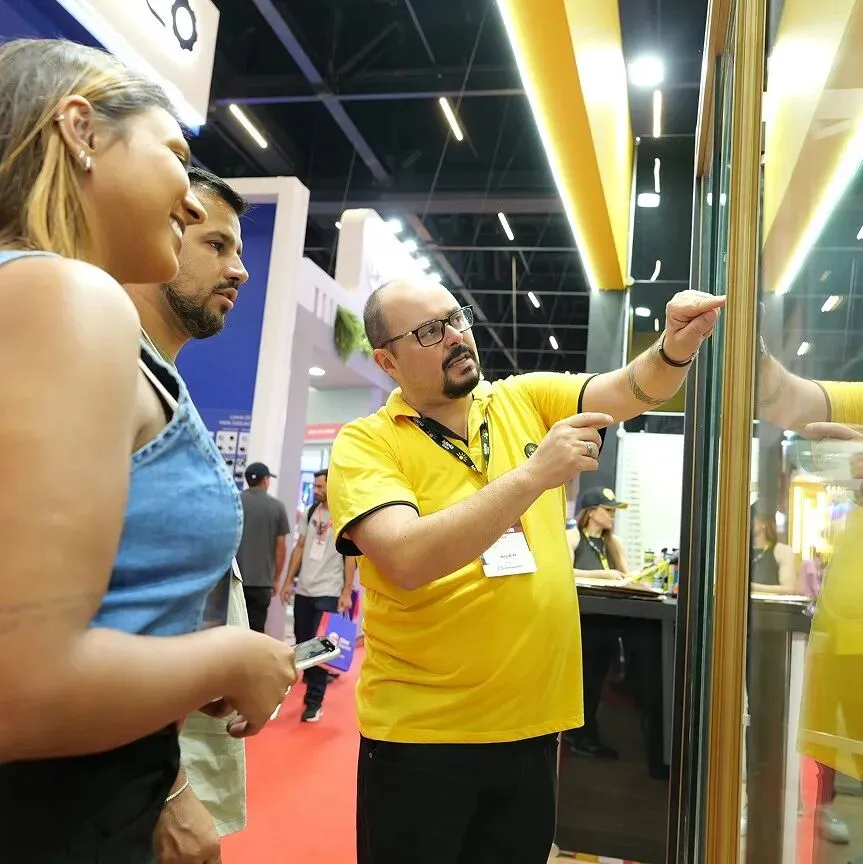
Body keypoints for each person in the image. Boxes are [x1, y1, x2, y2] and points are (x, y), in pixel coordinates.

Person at [0, 39, 295, 863]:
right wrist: (229, 656)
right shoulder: (63, 294)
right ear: (82, 130)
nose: (193, 206)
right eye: (174, 153)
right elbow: (22, 688)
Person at [326, 276, 724, 864]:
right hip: (423, 736)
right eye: (429, 332)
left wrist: (674, 347)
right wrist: (534, 475)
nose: (455, 336)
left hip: (534, 728)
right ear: (387, 361)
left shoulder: (522, 399)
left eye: (456, 318)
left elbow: (629, 390)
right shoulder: (367, 442)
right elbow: (405, 557)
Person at [124, 166, 255, 861]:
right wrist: (167, 791)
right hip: (117, 779)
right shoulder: (108, 365)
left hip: (150, 751)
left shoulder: (162, 380)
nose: (239, 271)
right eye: (215, 245)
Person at [281, 469, 357, 722]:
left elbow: (350, 558)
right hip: (304, 588)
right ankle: (311, 685)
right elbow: (300, 547)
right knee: (303, 641)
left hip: (329, 590)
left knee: (321, 648)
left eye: (320, 486)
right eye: (314, 486)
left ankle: (314, 700)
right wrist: (288, 581)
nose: (316, 490)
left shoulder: (343, 513)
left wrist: (346, 591)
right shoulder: (312, 511)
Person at [565, 487, 630, 759]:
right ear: (591, 512)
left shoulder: (614, 543)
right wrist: (603, 575)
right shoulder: (573, 537)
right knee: (585, 682)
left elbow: (626, 576)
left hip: (608, 623)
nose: (612, 516)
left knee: (599, 682)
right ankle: (580, 736)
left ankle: (589, 734)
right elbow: (565, 571)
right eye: (608, 510)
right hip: (582, 622)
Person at [236, 462, 291, 633]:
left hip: (234, 580)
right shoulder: (277, 507)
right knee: (256, 629)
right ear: (266, 480)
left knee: (232, 628)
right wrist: (276, 579)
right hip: (261, 582)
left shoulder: (234, 501)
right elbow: (281, 547)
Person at [749, 505, 797, 594]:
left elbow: (789, 589)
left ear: (763, 523)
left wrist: (753, 587)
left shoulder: (782, 551)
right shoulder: (743, 552)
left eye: (752, 517)